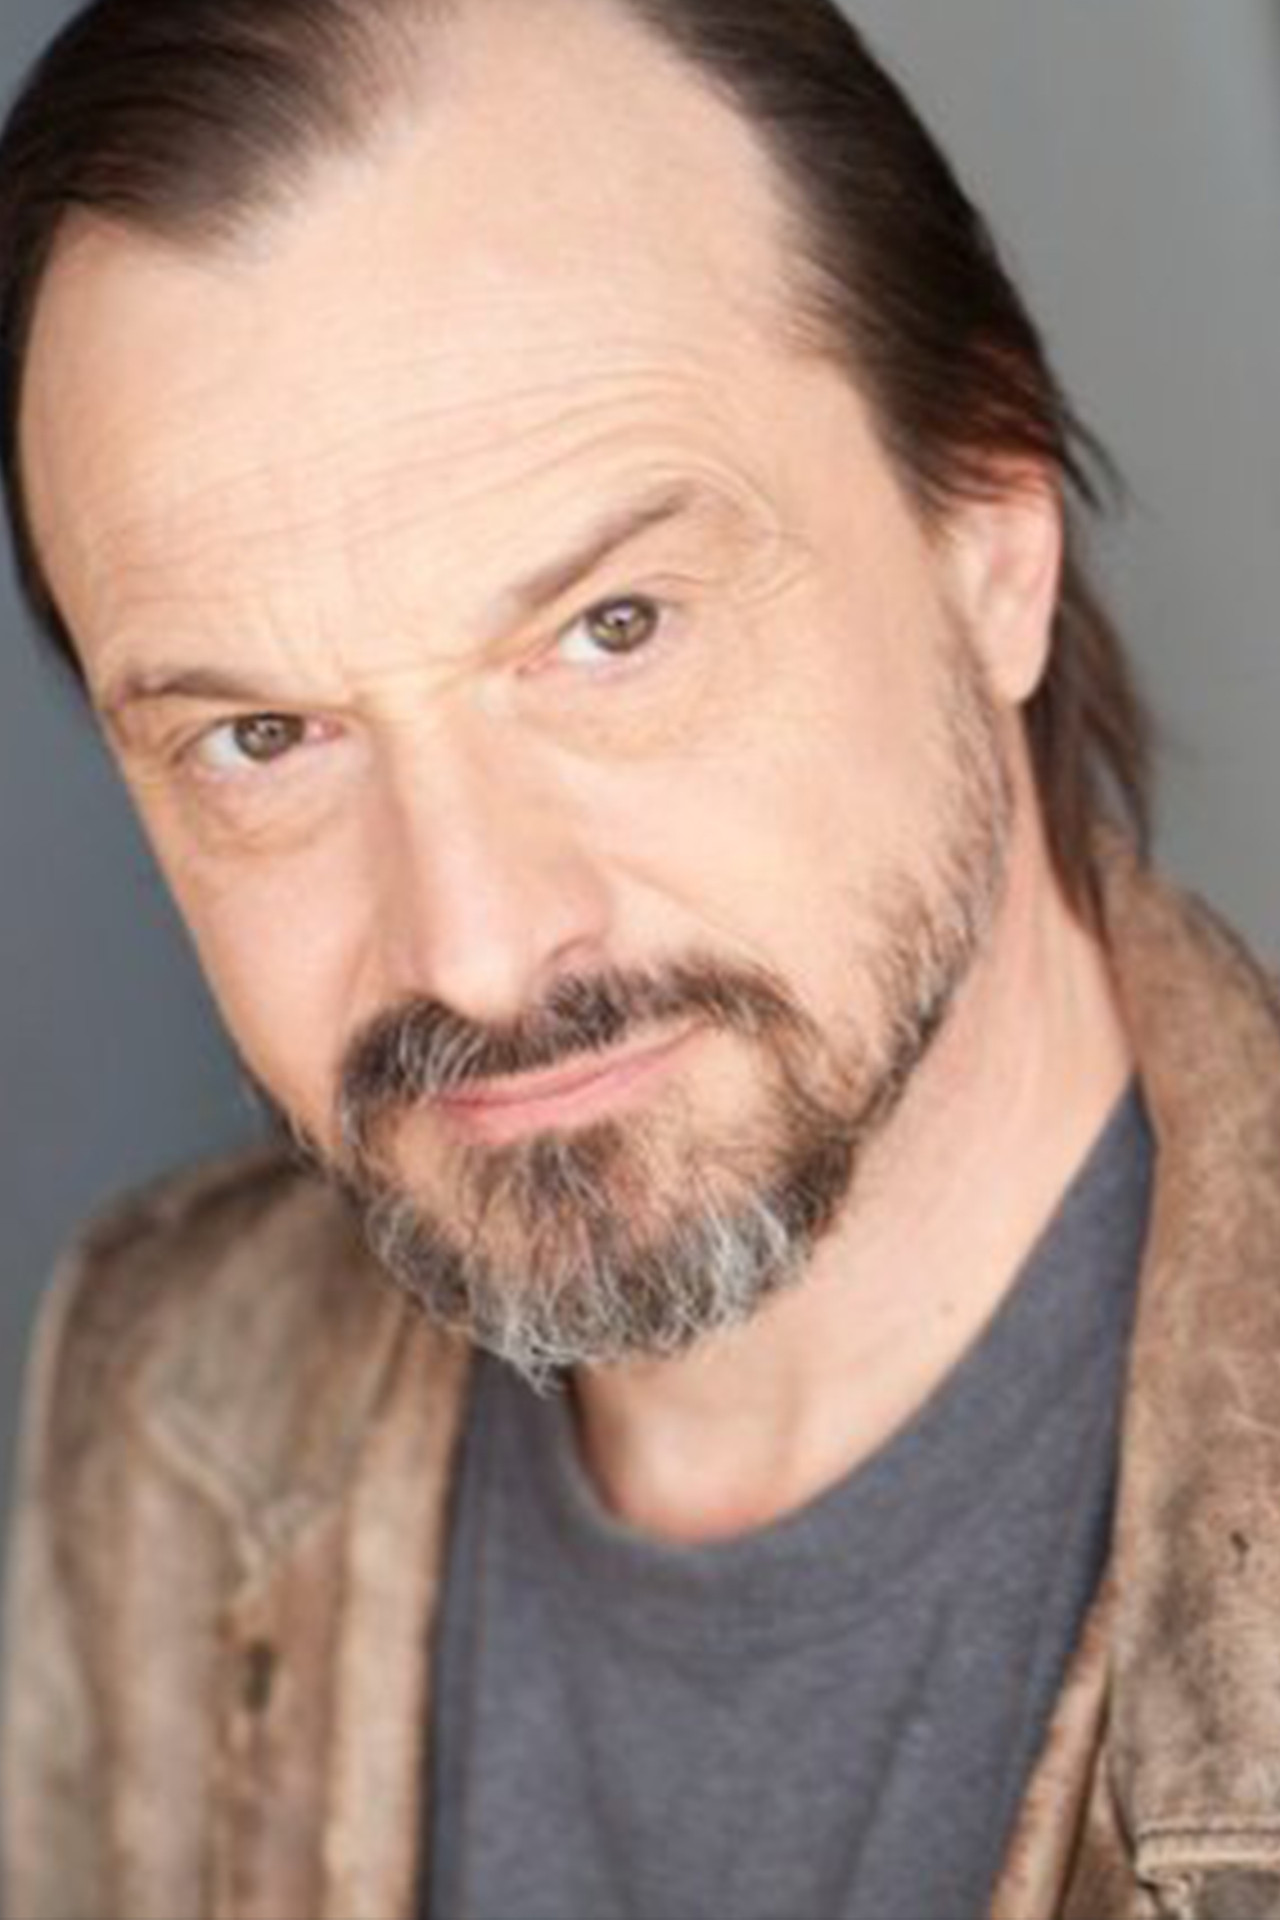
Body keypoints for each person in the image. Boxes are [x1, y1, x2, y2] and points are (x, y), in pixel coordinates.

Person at [2, 0, 1277, 1915]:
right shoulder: (162, 1389)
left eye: (613, 629)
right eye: (262, 737)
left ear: (992, 537)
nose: (478, 950)